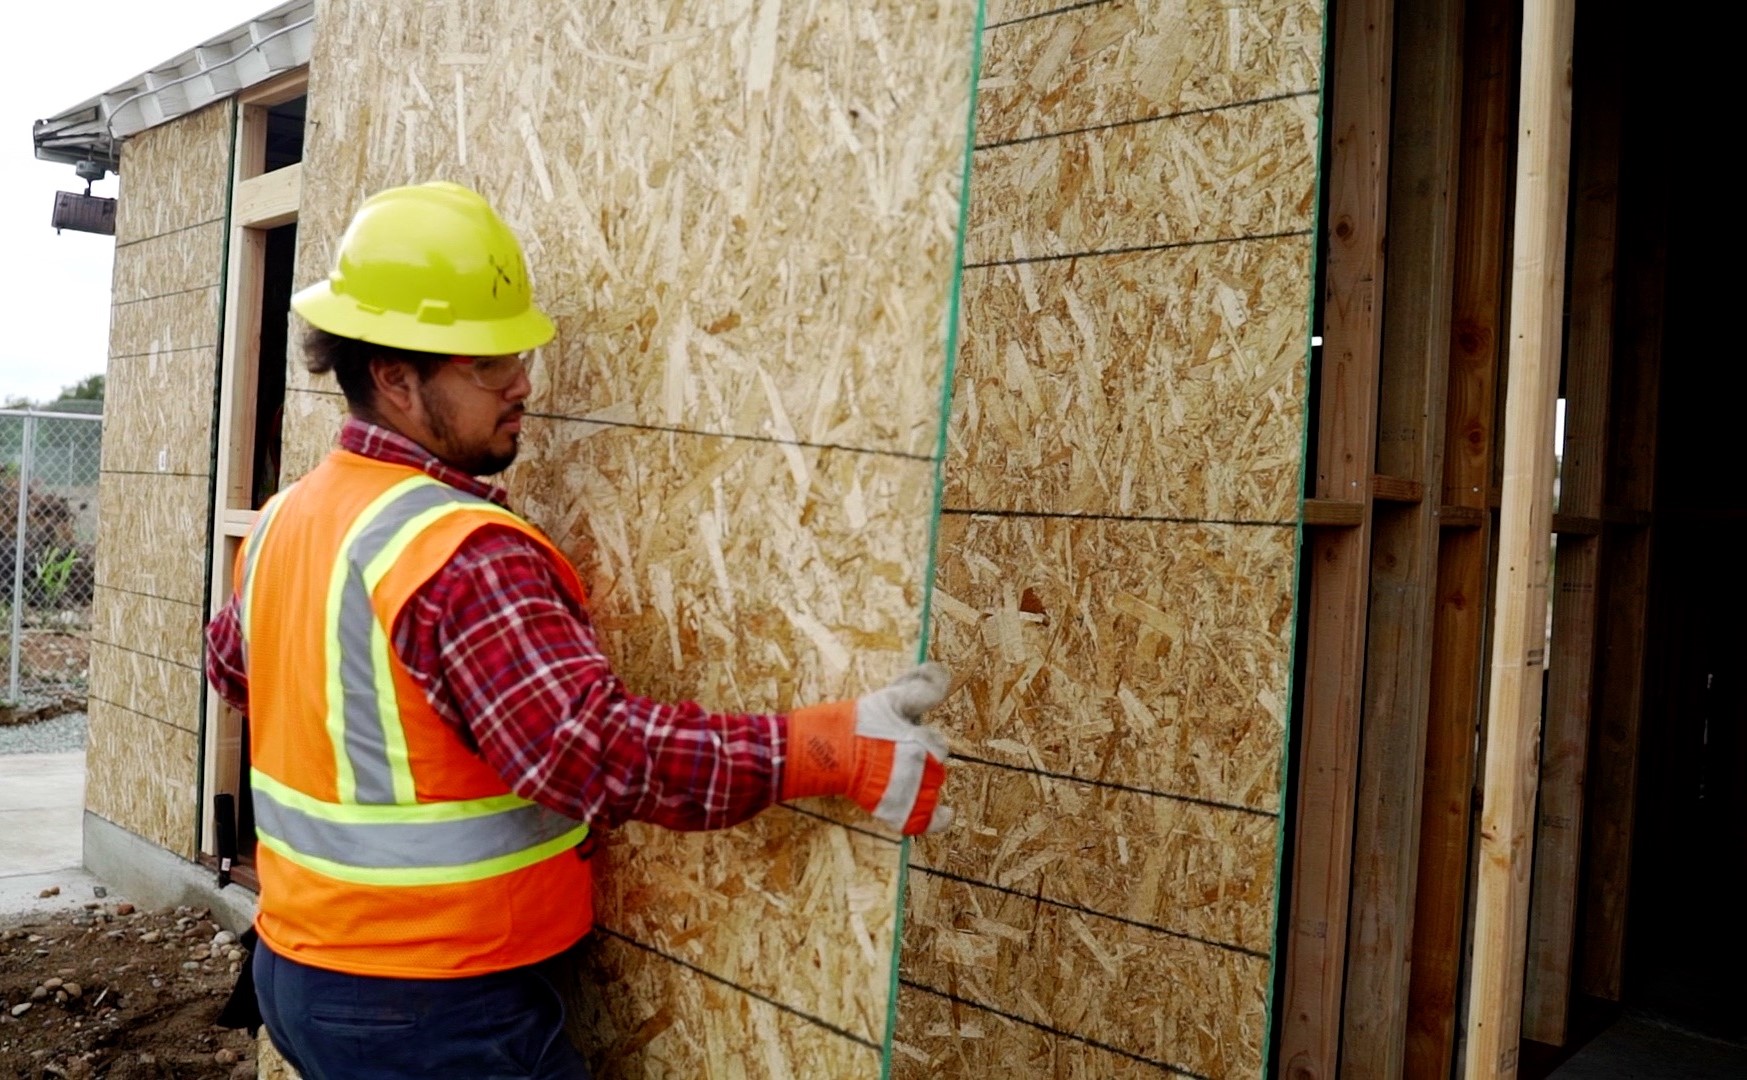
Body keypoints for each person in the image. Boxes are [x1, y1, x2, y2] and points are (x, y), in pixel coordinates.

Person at [203, 181, 953, 1080]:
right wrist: (819, 751)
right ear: (395, 380)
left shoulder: (289, 519)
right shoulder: (454, 553)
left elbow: (237, 672)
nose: (521, 380)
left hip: (305, 973)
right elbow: (587, 753)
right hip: (424, 1002)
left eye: (515, 352)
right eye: (484, 365)